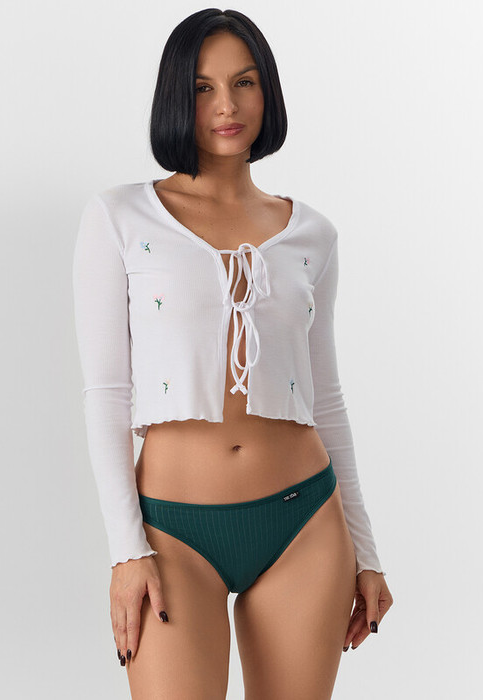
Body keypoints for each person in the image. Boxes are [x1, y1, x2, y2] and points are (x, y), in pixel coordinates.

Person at [72, 8, 393, 699]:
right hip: (172, 532)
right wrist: (126, 551)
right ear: (175, 96)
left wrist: (366, 552)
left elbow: (326, 397)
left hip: (305, 524)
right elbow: (106, 393)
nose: (227, 105)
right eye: (203, 87)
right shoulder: (120, 218)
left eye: (244, 83)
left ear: (266, 93)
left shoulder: (312, 233)